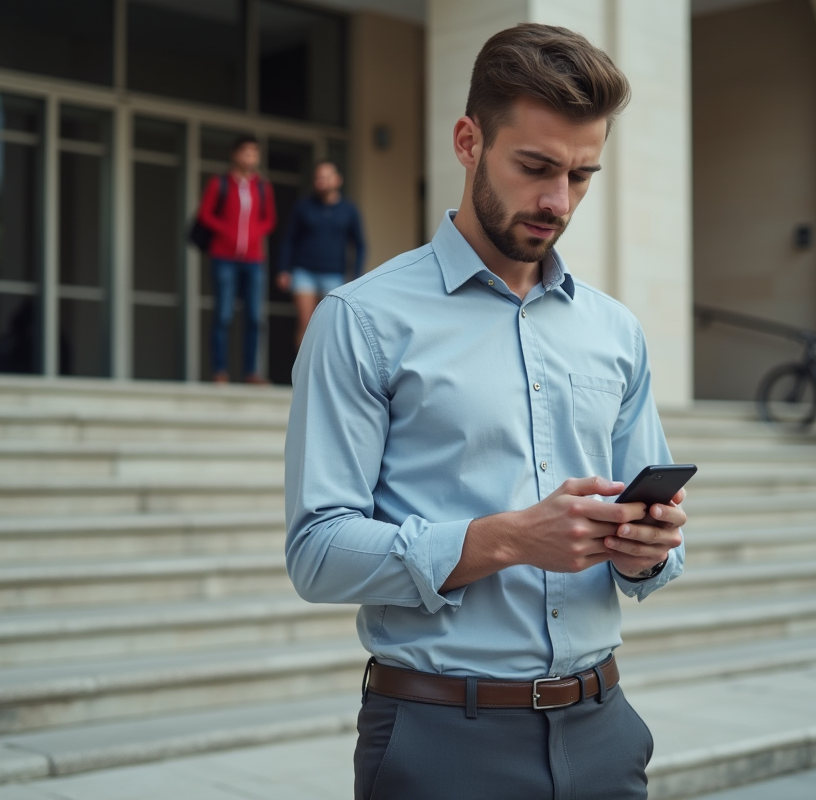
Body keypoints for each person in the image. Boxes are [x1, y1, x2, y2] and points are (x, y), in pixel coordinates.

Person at [285, 24, 685, 800]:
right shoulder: (361, 321)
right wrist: (507, 539)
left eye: (581, 175)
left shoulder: (616, 331)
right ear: (469, 141)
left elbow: (652, 559)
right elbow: (318, 551)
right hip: (440, 741)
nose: (556, 201)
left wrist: (648, 547)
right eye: (535, 167)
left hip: (605, 730)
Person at [197, 135, 276, 384]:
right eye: (245, 152)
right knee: (224, 315)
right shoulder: (219, 183)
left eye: (254, 153)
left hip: (253, 259)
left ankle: (251, 371)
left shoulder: (263, 186)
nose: (250, 157)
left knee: (254, 317)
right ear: (235, 155)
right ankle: (220, 370)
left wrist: (254, 233)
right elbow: (205, 214)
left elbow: (269, 219)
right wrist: (227, 230)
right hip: (224, 257)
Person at [276, 160, 366, 347]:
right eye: (317, 177)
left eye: (325, 177)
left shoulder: (349, 210)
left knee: (330, 326)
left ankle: (323, 374)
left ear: (337, 180)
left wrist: (356, 276)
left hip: (334, 274)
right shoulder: (303, 207)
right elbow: (289, 239)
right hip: (304, 272)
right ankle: (301, 375)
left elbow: (359, 244)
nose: (320, 181)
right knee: (306, 323)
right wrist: (284, 269)